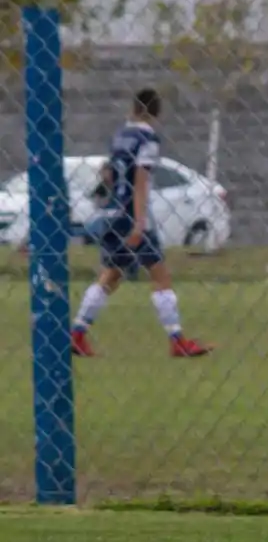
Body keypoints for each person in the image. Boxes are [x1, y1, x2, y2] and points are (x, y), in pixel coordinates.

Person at [69, 88, 213, 358]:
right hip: (132, 216)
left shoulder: (120, 135)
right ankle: (177, 341)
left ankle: (77, 334)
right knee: (160, 275)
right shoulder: (147, 138)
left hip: (112, 212)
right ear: (155, 113)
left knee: (111, 275)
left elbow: (109, 173)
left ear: (133, 108)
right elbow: (141, 181)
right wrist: (139, 223)